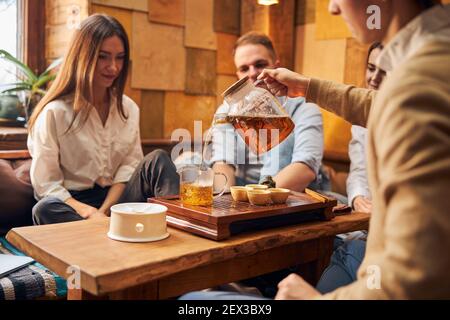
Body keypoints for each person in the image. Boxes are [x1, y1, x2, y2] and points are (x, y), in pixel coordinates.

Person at [181, 0, 450, 299]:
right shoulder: (429, 60)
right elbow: (381, 104)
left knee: (193, 301)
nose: (333, 8)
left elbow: (415, 279)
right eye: (243, 68)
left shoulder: (420, 81)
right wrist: (309, 86)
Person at [28, 14, 179, 225]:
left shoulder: (128, 108)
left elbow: (128, 168)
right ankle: (110, 237)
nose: (113, 67)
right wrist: (91, 215)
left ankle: (181, 235)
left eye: (119, 57)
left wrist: (106, 213)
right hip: (74, 206)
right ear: (82, 57)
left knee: (158, 159)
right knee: (44, 209)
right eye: (103, 56)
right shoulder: (54, 113)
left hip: (118, 200)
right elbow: (47, 185)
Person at [211, 32, 326, 193]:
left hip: (290, 194)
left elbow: (305, 168)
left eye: (259, 64)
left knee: (283, 141)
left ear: (276, 67)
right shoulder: (227, 111)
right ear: (238, 75)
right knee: (187, 160)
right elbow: (223, 162)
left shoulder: (304, 107)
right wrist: (228, 200)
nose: (252, 73)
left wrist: (256, 198)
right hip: (244, 191)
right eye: (244, 68)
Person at [347, 42, 385, 214]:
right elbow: (359, 170)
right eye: (371, 68)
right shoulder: (361, 117)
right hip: (367, 216)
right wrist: (358, 197)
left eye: (384, 71)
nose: (374, 78)